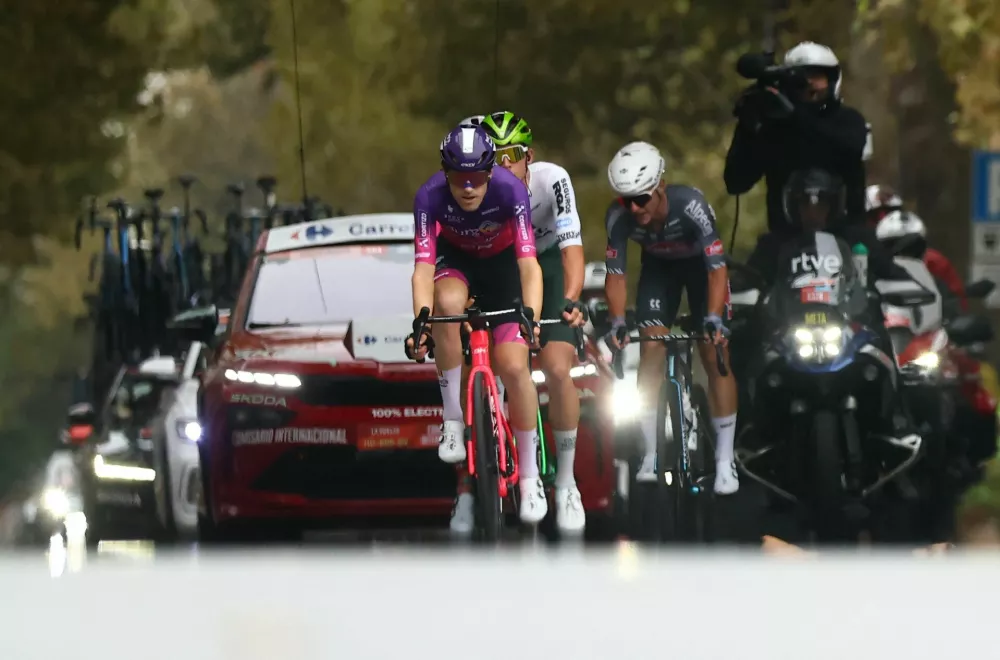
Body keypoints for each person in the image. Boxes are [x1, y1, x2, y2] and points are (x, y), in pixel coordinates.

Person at [406, 124, 549, 530]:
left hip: (503, 270)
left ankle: (530, 478)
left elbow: (529, 265)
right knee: (446, 305)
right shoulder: (428, 196)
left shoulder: (511, 190)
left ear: (490, 172)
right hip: (457, 263)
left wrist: (532, 317)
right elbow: (422, 270)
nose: (467, 188)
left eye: (476, 178)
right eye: (458, 177)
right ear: (444, 172)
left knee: (515, 367)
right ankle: (453, 420)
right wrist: (421, 321)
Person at [741, 168, 920, 448]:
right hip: (788, 334)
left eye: (821, 203)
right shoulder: (774, 243)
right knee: (742, 342)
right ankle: (746, 427)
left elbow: (890, 271)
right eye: (805, 203)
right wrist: (738, 296)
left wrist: (901, 285)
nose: (813, 212)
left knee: (885, 340)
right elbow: (747, 279)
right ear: (791, 206)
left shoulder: (857, 238)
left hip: (850, 329)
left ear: (835, 205)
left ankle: (897, 420)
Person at [604, 141, 740, 495]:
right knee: (651, 349)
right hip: (659, 270)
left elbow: (716, 269)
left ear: (660, 186)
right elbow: (616, 274)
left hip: (701, 271)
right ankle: (650, 454)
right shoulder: (618, 216)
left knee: (713, 352)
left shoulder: (691, 206)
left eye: (642, 199)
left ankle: (725, 460)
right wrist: (617, 322)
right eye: (627, 201)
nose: (635, 208)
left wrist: (713, 318)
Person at [477, 110, 587, 534]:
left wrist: (571, 298)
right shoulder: (477, 192)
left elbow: (571, 246)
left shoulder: (551, 180)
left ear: (530, 156)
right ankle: (515, 470)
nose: (505, 164)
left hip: (549, 264)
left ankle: (567, 482)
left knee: (557, 368)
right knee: (510, 366)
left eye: (514, 154)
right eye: (496, 157)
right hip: (509, 267)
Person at [725, 41, 870, 233]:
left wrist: (794, 114)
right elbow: (736, 183)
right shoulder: (776, 128)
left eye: (816, 76)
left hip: (848, 237)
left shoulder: (848, 119)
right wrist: (748, 127)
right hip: (785, 242)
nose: (809, 83)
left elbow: (849, 148)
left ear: (832, 80)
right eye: (800, 77)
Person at [865, 183, 968, 312]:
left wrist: (951, 310)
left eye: (891, 212)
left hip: (924, 320)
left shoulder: (934, 261)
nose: (884, 219)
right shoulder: (860, 258)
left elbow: (957, 300)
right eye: (876, 216)